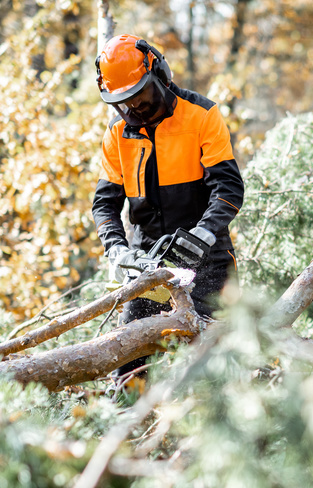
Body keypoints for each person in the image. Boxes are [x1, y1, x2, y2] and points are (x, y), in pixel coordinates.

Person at [91, 34, 245, 387]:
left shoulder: (202, 115)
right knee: (129, 366)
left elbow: (228, 187)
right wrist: (116, 247)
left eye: (141, 97)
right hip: (148, 262)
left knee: (218, 368)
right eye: (124, 103)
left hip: (208, 258)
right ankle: (128, 431)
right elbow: (105, 202)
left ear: (160, 74)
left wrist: (203, 233)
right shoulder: (117, 135)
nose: (135, 110)